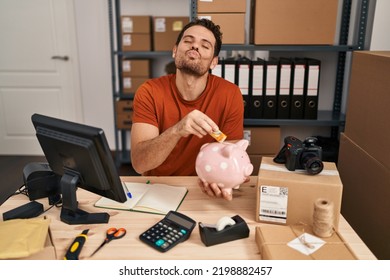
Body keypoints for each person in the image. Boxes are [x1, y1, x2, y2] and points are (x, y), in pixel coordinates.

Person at [130, 18, 245, 201]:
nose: (195, 47)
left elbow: (232, 157)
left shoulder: (230, 94)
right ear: (175, 51)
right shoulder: (149, 92)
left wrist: (221, 181)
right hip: (158, 189)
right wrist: (177, 130)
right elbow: (139, 164)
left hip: (203, 187)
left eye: (205, 45)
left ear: (214, 62)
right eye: (188, 41)